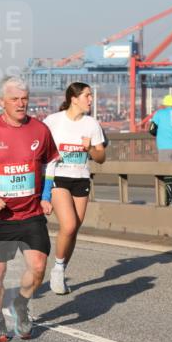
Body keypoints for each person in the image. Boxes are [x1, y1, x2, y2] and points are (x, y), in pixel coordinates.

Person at [0, 76, 57, 342]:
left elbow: (51, 162)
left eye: (24, 98)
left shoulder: (40, 130)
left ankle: (21, 303)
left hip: (31, 213)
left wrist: (46, 194)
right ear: (2, 102)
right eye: (14, 99)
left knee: (39, 266)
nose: (20, 103)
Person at [43, 82, 107, 294]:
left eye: (91, 96)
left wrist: (89, 148)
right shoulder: (53, 121)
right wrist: (52, 156)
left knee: (74, 229)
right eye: (87, 96)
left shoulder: (92, 124)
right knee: (68, 225)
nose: (91, 99)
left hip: (81, 178)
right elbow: (40, 149)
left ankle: (61, 267)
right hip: (58, 177)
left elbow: (101, 158)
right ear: (74, 98)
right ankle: (58, 271)